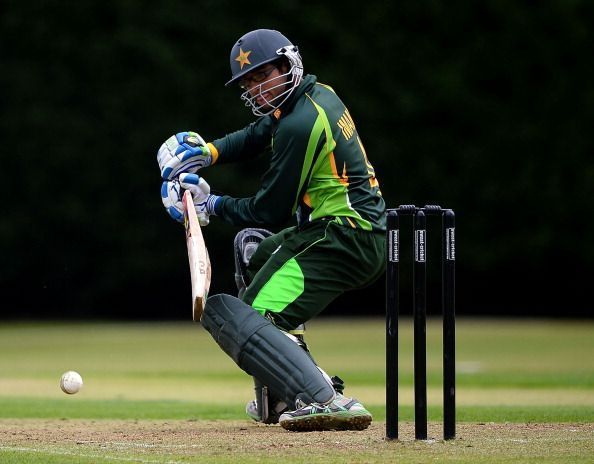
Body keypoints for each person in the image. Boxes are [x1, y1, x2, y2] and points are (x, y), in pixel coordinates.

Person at [157, 29, 386, 432]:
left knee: (249, 316)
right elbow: (258, 134)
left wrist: (211, 204)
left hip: (343, 237)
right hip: (347, 233)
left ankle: (324, 399)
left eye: (263, 76)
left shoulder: (302, 124)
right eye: (249, 83)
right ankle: (282, 395)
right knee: (255, 251)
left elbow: (269, 208)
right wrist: (207, 153)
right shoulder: (314, 96)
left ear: (288, 64)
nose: (257, 90)